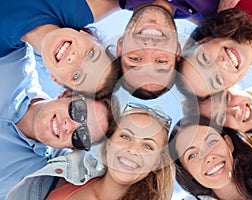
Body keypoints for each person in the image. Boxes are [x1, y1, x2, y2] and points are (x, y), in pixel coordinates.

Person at [0, 43, 115, 199]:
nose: (70, 126)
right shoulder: (14, 61)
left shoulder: (26, 180)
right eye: (78, 112)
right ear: (65, 94)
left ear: (74, 148)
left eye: (81, 137)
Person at [18, 103, 174, 200]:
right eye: (125, 136)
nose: (132, 150)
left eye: (148, 146)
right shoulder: (70, 171)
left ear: (157, 162)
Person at [116, 0, 240, 100]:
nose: (149, 47)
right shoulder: (220, 10)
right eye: (160, 61)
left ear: (121, 46)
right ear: (177, 50)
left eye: (135, 59)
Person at [177, 0, 252, 98]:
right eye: (217, 80)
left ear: (203, 41)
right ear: (231, 85)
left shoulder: (236, 3)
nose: (221, 64)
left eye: (205, 60)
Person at [0, 0, 120, 95]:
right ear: (91, 37)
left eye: (76, 75)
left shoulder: (4, 52)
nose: (73, 58)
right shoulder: (76, 6)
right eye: (90, 54)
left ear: (57, 80)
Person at [168, 115, 252, 199]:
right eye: (192, 155)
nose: (207, 157)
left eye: (212, 142)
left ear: (228, 144)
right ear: (186, 171)